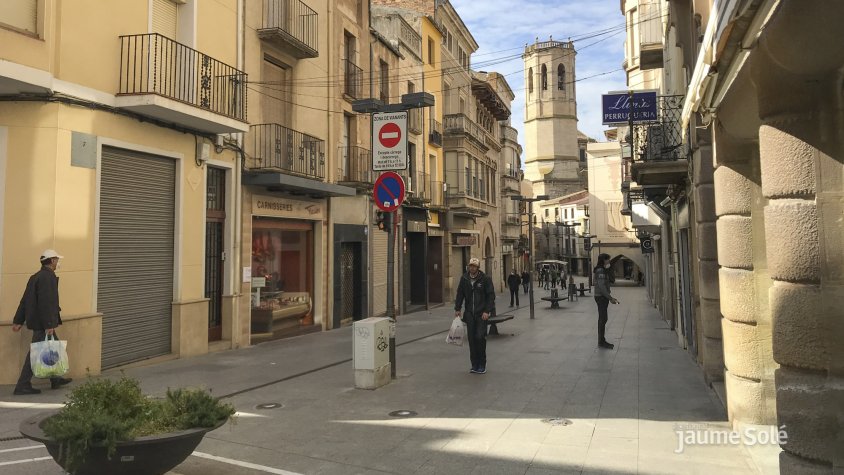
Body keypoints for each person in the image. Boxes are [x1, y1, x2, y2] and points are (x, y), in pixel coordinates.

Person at [11, 249, 72, 395]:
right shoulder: (47, 278)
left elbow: (25, 300)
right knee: (35, 352)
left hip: (40, 321)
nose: (58, 262)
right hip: (43, 323)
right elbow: (47, 303)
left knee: (53, 348)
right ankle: (22, 385)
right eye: (57, 260)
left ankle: (56, 378)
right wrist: (49, 325)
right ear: (52, 261)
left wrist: (18, 320)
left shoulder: (35, 277)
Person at [454, 257, 495, 374]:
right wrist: (457, 308)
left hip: (481, 314)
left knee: (480, 338)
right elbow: (460, 293)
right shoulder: (464, 278)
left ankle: (482, 364)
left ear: (478, 268)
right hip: (469, 314)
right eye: (470, 266)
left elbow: (490, 296)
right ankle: (474, 364)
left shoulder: (485, 279)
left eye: (474, 266)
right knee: (471, 340)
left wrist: (487, 311)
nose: (471, 268)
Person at [594, 253, 619, 350]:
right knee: (602, 319)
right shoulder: (600, 270)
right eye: (607, 259)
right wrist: (610, 298)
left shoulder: (603, 270)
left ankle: (602, 340)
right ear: (603, 260)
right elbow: (601, 286)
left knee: (603, 319)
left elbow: (611, 280)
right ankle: (601, 341)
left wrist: (610, 269)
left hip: (602, 296)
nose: (609, 261)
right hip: (601, 297)